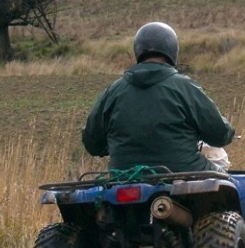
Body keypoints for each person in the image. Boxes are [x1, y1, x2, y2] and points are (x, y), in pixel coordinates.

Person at [82, 22, 235, 173]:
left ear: (138, 51)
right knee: (229, 180)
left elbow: (92, 144)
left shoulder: (113, 91)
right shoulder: (185, 87)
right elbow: (220, 135)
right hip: (185, 173)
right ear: (173, 51)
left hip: (124, 178)